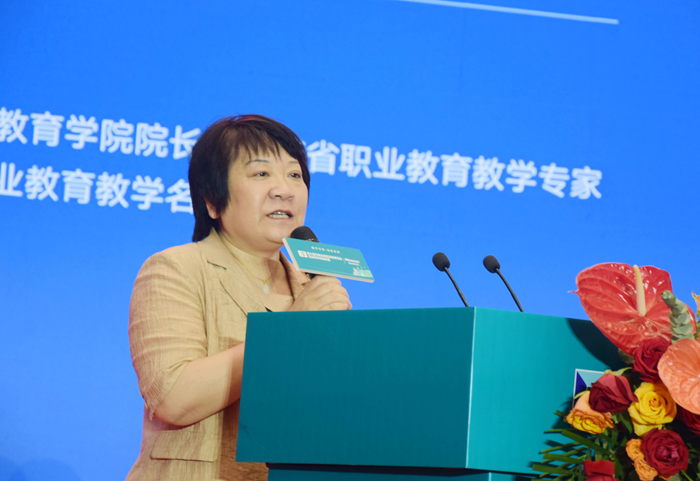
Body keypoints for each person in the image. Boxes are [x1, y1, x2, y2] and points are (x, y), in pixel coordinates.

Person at [126, 115, 352, 480]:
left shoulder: (313, 287)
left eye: (295, 175)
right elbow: (174, 398)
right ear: (213, 200)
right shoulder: (176, 269)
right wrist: (291, 331)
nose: (284, 190)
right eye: (261, 174)